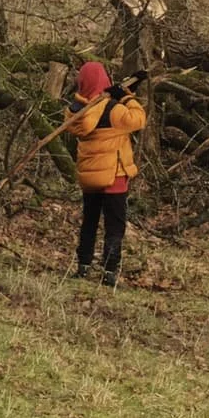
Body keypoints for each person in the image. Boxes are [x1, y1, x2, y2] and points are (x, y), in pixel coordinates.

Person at [66, 60, 146, 289]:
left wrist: (125, 92)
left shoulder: (76, 111)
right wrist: (127, 97)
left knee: (89, 222)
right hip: (113, 175)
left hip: (90, 176)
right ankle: (110, 270)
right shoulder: (113, 109)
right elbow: (138, 119)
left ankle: (83, 265)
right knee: (114, 225)